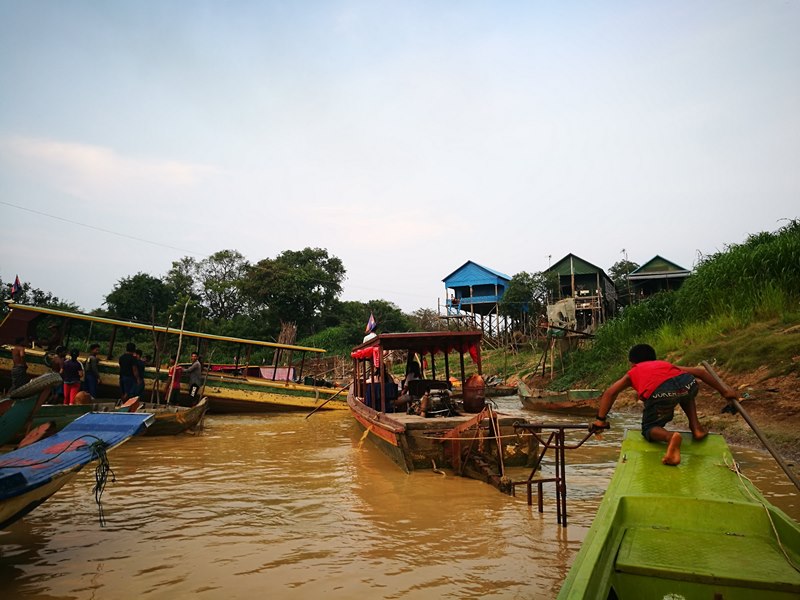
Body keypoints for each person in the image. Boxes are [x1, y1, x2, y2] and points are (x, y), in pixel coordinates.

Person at [591, 343, 738, 466]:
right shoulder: (665, 365)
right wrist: (724, 392)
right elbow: (700, 372)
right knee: (684, 393)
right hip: (687, 383)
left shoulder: (633, 372)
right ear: (654, 358)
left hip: (660, 392)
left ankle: (670, 437)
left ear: (632, 363)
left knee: (649, 428)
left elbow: (610, 393)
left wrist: (600, 420)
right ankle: (696, 428)